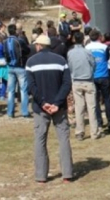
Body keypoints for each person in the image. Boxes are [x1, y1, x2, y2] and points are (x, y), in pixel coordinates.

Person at [26, 34, 73, 183]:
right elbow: (67, 84)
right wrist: (57, 103)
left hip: (41, 108)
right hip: (59, 107)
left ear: (38, 45)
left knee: (40, 140)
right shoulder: (61, 60)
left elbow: (31, 86)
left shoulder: (31, 62)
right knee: (63, 139)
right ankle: (67, 174)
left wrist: (43, 102)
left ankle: (41, 175)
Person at [67, 31, 99, 141]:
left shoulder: (70, 53)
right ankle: (94, 132)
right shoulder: (87, 52)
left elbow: (70, 66)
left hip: (76, 81)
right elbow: (93, 64)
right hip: (88, 81)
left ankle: (79, 132)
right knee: (91, 107)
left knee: (79, 107)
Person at [85, 29, 110, 132]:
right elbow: (107, 58)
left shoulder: (87, 48)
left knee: (95, 101)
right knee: (107, 99)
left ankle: (98, 122)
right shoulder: (104, 47)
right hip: (104, 74)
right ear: (99, 37)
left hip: (93, 76)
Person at [4, 24, 31, 118]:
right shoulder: (19, 41)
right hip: (20, 67)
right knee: (23, 90)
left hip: (10, 67)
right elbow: (28, 50)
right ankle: (24, 112)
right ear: (15, 31)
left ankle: (10, 112)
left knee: (10, 91)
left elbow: (5, 53)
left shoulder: (5, 41)